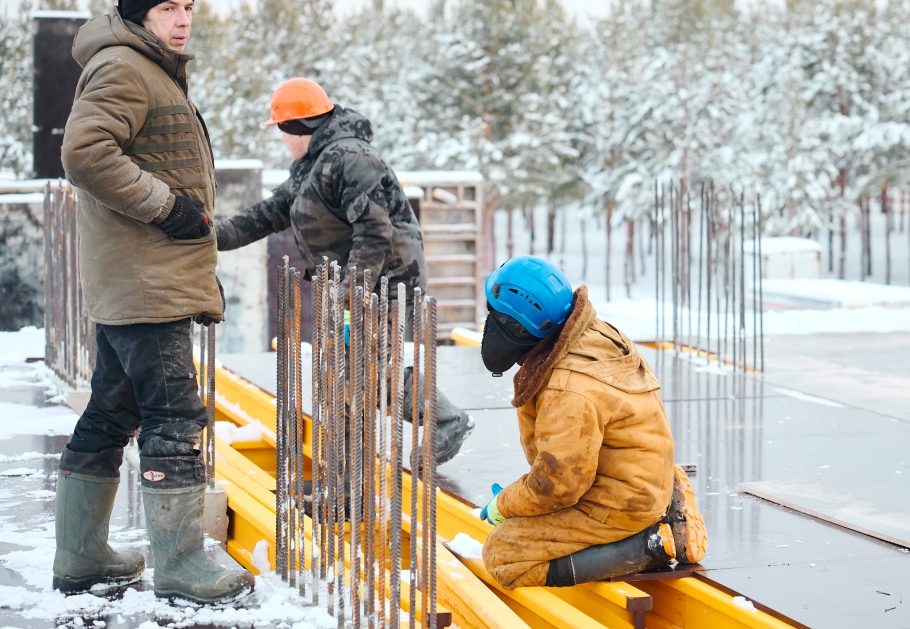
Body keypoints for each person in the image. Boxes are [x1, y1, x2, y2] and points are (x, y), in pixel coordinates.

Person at [56, 0, 254, 603]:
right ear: (140, 13)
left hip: (139, 278)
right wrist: (167, 207)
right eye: (169, 6)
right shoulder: (124, 66)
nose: (184, 17)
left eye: (189, 6)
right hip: (146, 281)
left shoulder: (148, 67)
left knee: (112, 412)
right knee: (174, 416)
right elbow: (85, 154)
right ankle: (180, 563)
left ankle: (82, 555)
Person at [215, 78, 473, 463]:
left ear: (295, 128)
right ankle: (346, 484)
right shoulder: (313, 165)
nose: (282, 140)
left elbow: (374, 230)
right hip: (351, 285)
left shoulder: (350, 158)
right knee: (345, 380)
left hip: (381, 282)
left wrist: (354, 294)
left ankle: (443, 421)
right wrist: (210, 236)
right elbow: (269, 214)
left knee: (363, 380)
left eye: (282, 131)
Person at [477, 256, 707, 589]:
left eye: (493, 314)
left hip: (623, 502)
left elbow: (557, 487)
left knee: (504, 553)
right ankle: (661, 499)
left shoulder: (569, 389)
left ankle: (654, 540)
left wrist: (504, 505)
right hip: (636, 475)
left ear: (515, 326)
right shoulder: (590, 334)